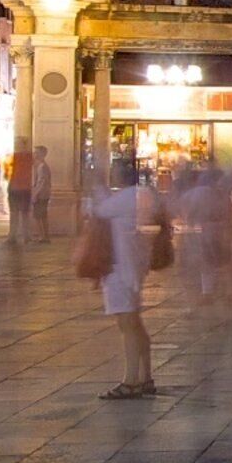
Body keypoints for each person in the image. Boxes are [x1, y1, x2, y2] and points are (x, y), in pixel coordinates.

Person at [84, 154, 159, 398]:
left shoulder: (126, 199)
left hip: (121, 269)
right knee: (135, 322)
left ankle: (131, 380)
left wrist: (96, 184)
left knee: (127, 324)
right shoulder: (143, 196)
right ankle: (145, 376)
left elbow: (99, 210)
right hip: (135, 266)